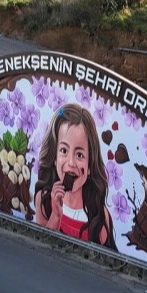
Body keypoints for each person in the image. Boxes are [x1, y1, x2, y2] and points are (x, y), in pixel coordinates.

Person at [34, 103, 116, 249]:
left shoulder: (100, 216)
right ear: (54, 157)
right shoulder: (43, 200)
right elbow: (40, 249)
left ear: (90, 165)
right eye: (64, 151)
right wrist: (56, 216)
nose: (71, 163)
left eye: (79, 155)